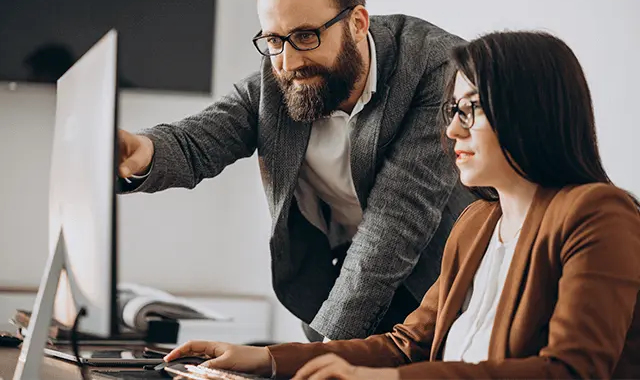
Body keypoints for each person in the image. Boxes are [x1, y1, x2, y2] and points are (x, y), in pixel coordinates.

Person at [162, 31, 640, 379]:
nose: (453, 130)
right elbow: (407, 344)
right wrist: (264, 359)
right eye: (453, 111)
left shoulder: (598, 214)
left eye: (470, 109)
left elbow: (571, 371)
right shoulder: (477, 224)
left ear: (527, 111)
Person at [116, 0, 475, 342]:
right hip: (341, 278)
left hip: (440, 286)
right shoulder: (277, 80)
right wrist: (141, 150)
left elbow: (397, 223)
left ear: (357, 23)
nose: (288, 61)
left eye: (306, 36)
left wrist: (320, 350)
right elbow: (196, 142)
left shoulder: (437, 66)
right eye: (273, 40)